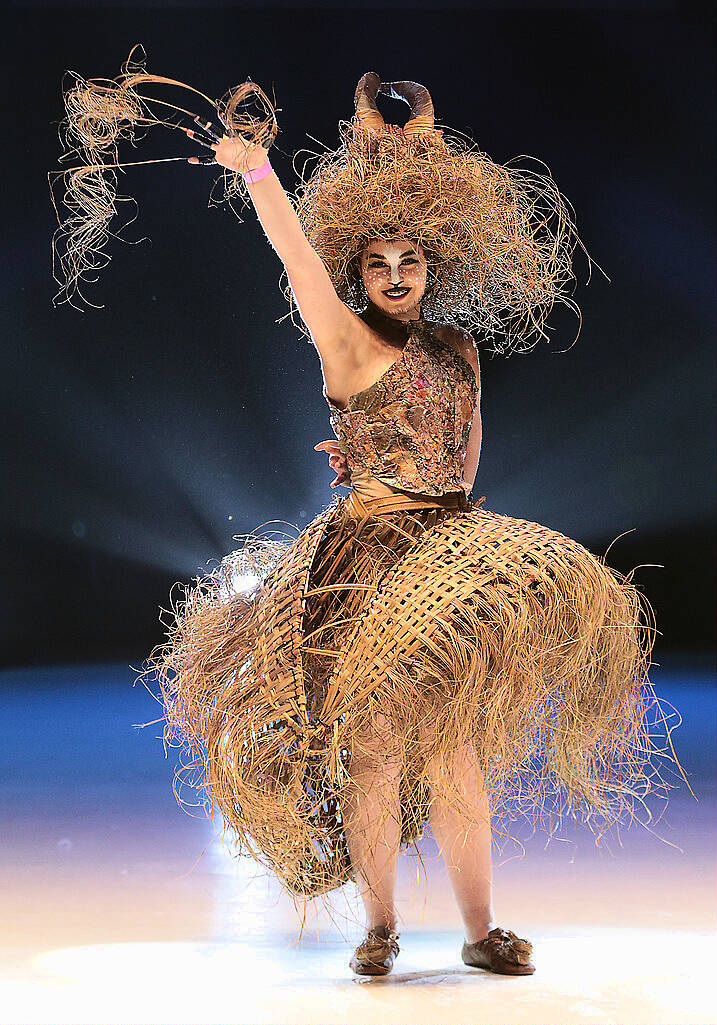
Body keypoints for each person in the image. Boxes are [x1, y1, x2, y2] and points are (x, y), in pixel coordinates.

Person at [149, 74, 673, 978]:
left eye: (410, 264)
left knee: (457, 746)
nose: (395, 278)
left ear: (431, 269)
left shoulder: (458, 349)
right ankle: (381, 927)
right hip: (367, 565)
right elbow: (296, 265)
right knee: (378, 747)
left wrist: (440, 510)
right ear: (360, 273)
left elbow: (465, 461)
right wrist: (259, 175)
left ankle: (478, 929)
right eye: (378, 265)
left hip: (447, 559)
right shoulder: (347, 342)